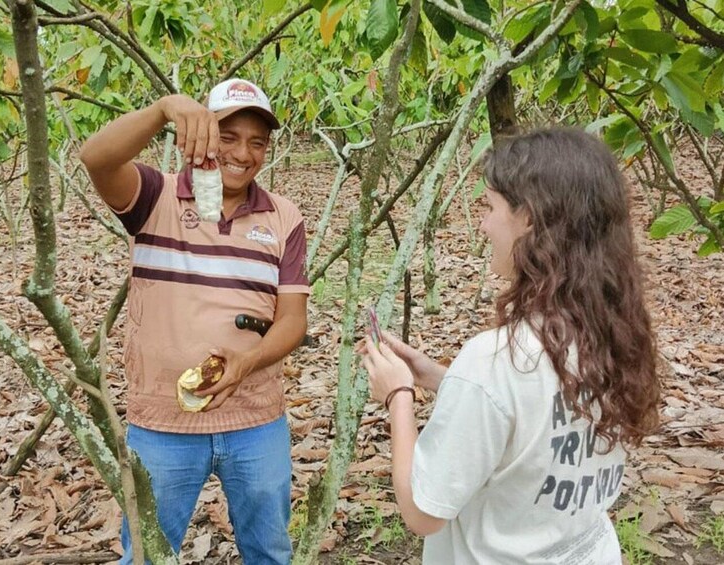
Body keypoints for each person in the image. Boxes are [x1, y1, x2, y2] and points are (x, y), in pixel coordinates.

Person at [360, 127, 660, 564]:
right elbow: (541, 412)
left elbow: (423, 512)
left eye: (490, 207)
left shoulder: (495, 360)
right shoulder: (611, 330)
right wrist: (443, 379)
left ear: (531, 218)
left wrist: (398, 395)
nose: (481, 225)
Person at [79, 78, 309, 564]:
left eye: (256, 142)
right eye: (227, 136)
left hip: (256, 419)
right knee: (148, 553)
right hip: (164, 421)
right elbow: (96, 158)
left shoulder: (284, 217)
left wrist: (248, 362)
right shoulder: (155, 196)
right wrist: (164, 108)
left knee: (270, 550)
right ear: (201, 132)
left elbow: (293, 321)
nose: (242, 154)